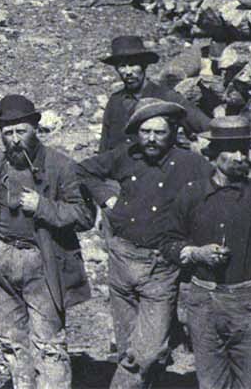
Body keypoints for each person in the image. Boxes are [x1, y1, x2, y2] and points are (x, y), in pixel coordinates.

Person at [78, 99, 212, 389]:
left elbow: (215, 198)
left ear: (173, 132)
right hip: (122, 262)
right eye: (145, 131)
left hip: (161, 268)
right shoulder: (125, 155)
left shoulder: (192, 164)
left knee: (148, 352)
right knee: (130, 350)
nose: (151, 139)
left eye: (159, 132)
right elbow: (84, 170)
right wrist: (107, 198)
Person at [0, 95, 94, 389]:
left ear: (36, 128)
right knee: (10, 340)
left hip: (43, 261)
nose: (14, 140)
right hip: (0, 259)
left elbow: (85, 216)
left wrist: (44, 206)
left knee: (48, 343)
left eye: (20, 131)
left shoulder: (62, 166)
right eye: (7, 133)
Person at [163, 116, 251, 389]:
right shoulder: (192, 194)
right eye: (231, 149)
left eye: (243, 150)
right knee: (211, 383)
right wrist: (196, 253)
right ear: (212, 153)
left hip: (250, 303)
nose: (239, 156)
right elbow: (168, 242)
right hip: (204, 302)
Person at [98, 36, 208, 153]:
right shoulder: (115, 101)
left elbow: (206, 126)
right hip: (119, 168)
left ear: (144, 65)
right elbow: (104, 147)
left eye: (133, 64)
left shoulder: (167, 97)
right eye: (122, 66)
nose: (128, 72)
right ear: (116, 69)